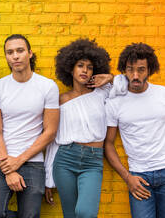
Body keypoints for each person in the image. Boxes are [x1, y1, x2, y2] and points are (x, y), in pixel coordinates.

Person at [104, 43, 165, 218]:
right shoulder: (114, 102)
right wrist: (127, 177)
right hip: (138, 177)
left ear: (150, 70)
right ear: (124, 70)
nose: (135, 76)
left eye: (141, 70)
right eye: (130, 70)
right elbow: (108, 144)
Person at [44, 38, 125, 218]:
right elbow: (53, 140)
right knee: (70, 214)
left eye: (89, 67)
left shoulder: (103, 93)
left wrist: (110, 77)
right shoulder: (60, 100)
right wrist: (48, 179)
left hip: (93, 161)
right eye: (80, 65)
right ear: (70, 68)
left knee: (85, 213)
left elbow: (127, 87)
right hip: (65, 159)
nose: (85, 70)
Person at [0, 34, 60, 218]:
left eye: (20, 51)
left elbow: (50, 132)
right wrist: (8, 166)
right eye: (10, 52)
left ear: (30, 53)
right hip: (3, 161)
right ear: (6, 57)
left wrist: (20, 160)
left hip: (33, 163)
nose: (15, 56)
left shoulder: (47, 86)